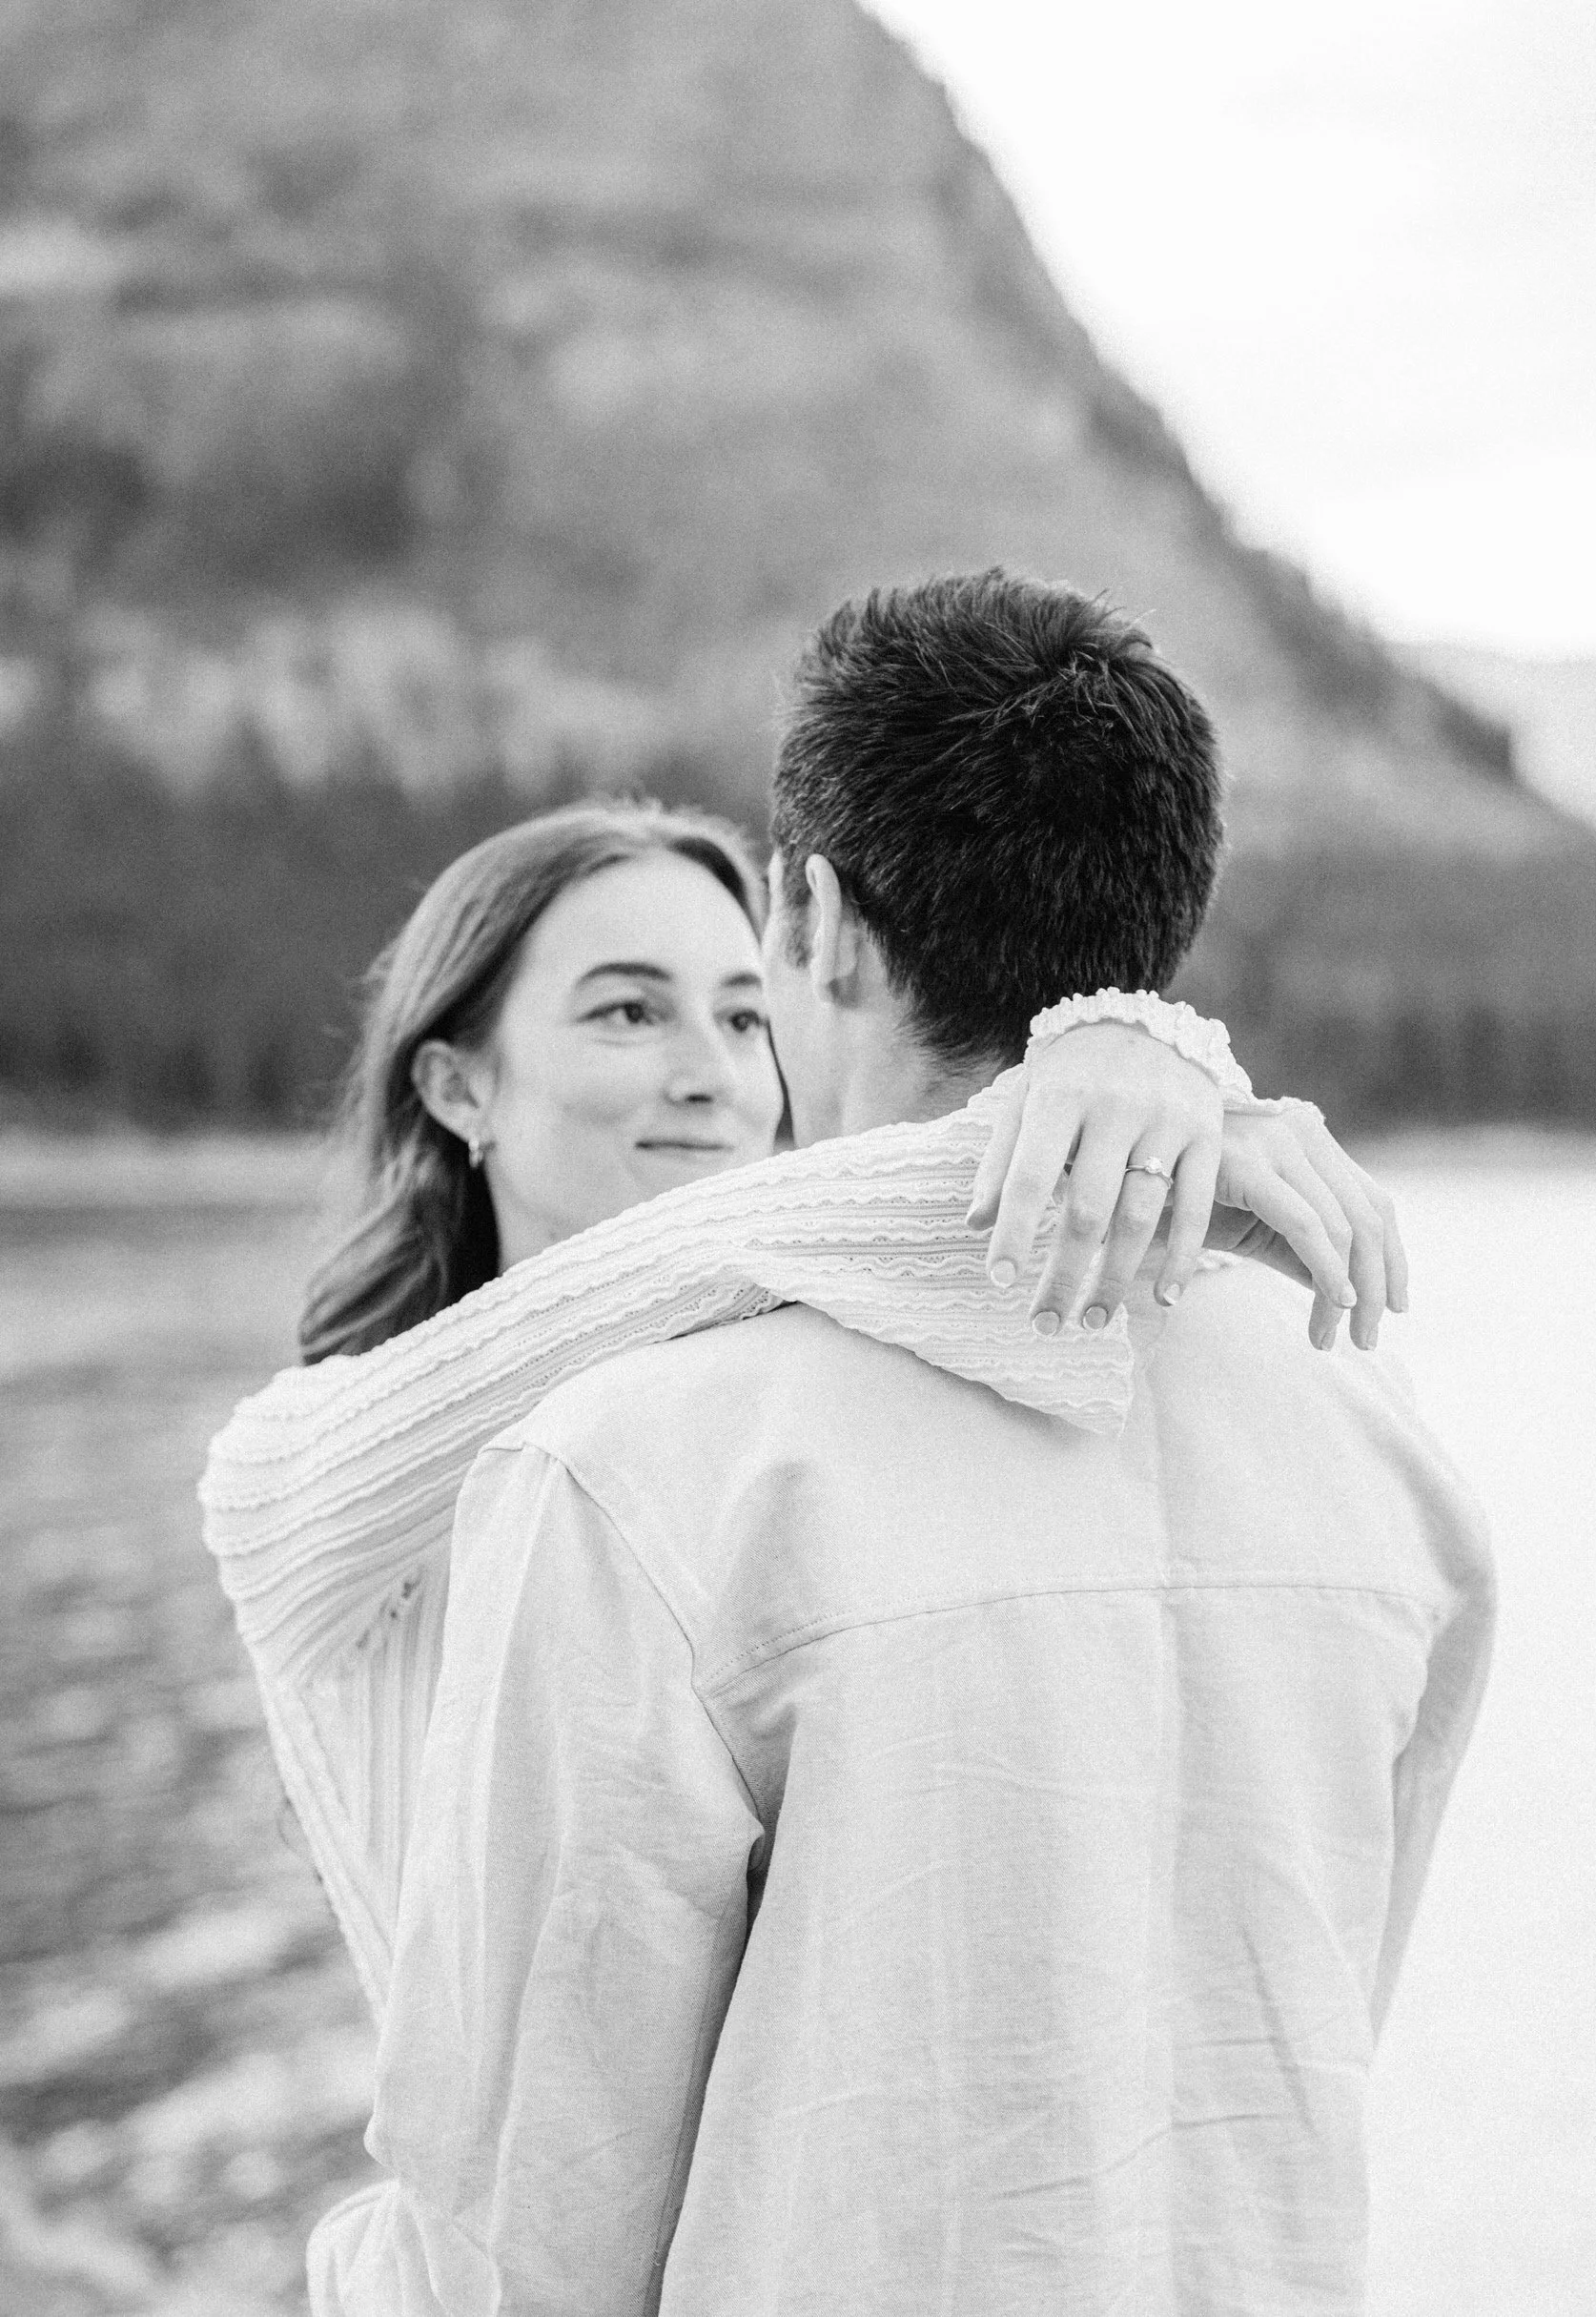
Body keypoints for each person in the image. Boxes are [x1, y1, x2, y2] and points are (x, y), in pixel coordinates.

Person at [315, 573, 1494, 2315]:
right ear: (1157, 927)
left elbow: (528, 2233)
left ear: (806, 920)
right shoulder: (1384, 1455)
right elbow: (1315, 2026)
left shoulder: (646, 1472)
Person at [204, 799, 1403, 2020]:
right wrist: (1106, 1097)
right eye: (630, 1012)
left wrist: (1121, 1090)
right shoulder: (290, 1476)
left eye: (741, 1015)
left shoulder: (789, 1422)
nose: (718, 1078)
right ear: (460, 1089)